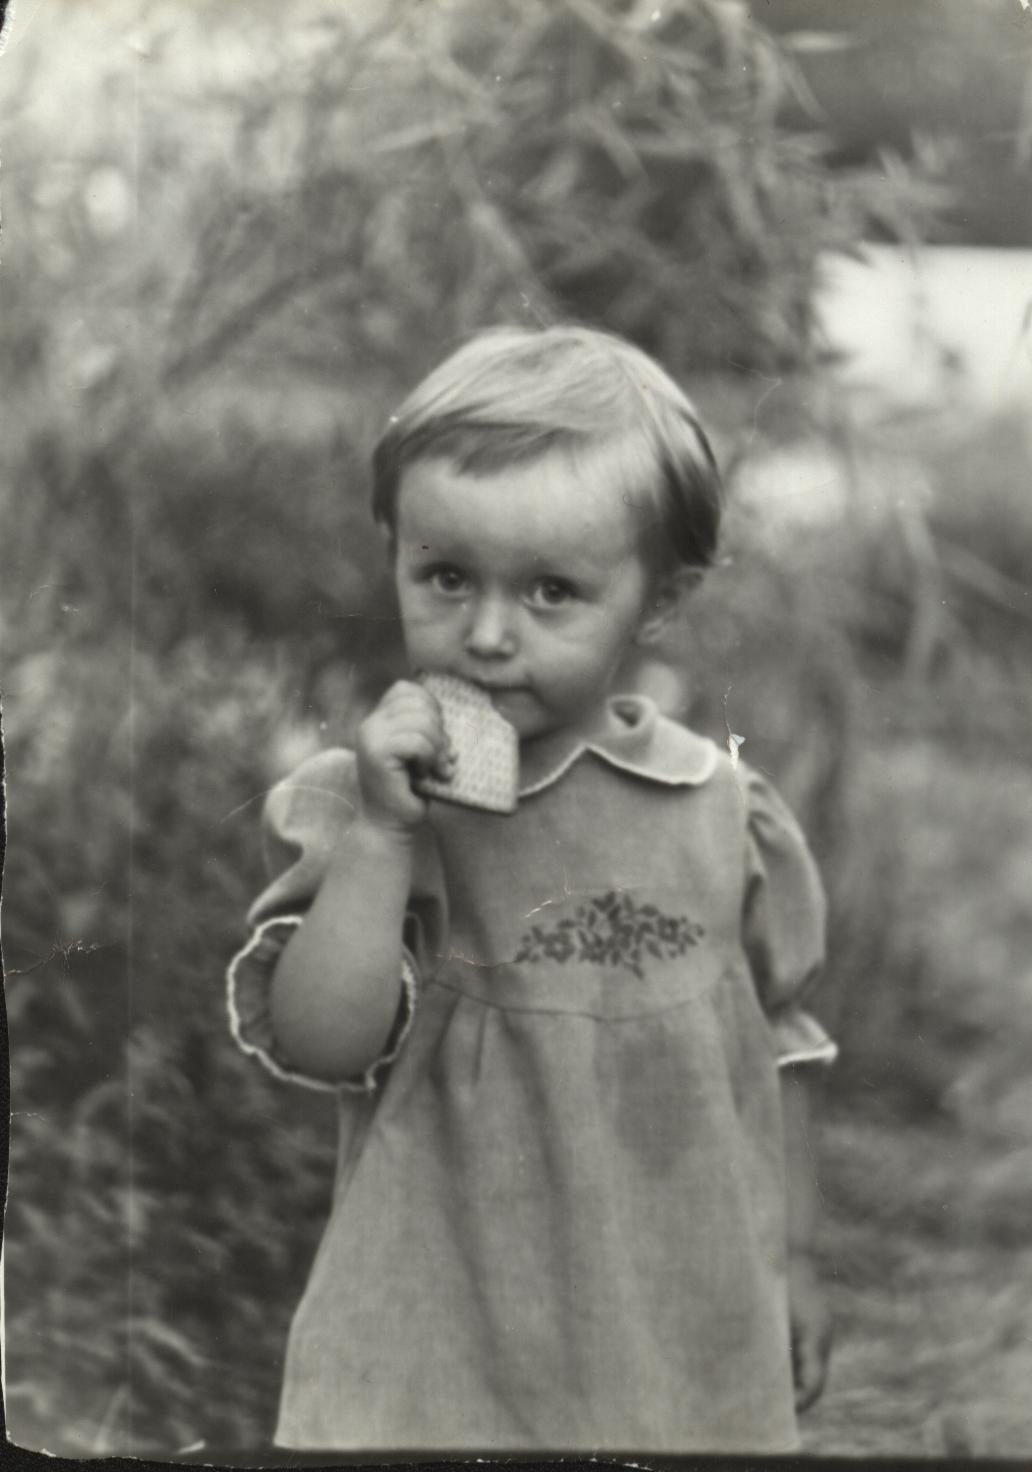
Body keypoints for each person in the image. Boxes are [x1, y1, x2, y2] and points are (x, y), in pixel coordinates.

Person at [227, 325, 837, 1454]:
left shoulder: (719, 812)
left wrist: (795, 1260)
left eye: (553, 591)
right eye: (447, 577)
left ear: (659, 598)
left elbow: (781, 1048)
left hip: (672, 1326)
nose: (488, 634)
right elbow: (317, 1042)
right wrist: (382, 837)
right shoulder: (371, 808)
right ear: (396, 554)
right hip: (437, 1338)